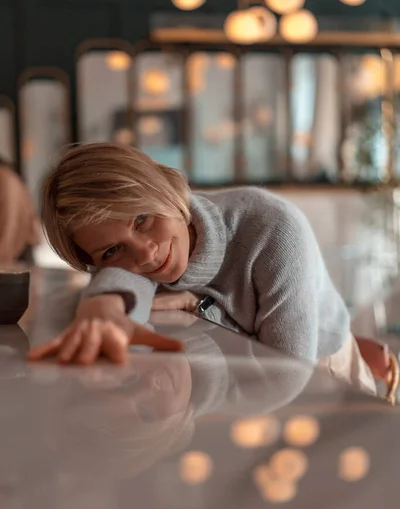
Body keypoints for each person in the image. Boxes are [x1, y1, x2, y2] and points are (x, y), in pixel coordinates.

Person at [27, 143, 376, 394]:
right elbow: (120, 281)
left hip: (326, 374)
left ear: (164, 189)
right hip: (244, 390)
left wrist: (198, 305)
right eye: (112, 250)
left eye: (142, 219)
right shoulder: (133, 258)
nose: (146, 253)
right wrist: (101, 303)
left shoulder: (273, 230)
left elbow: (286, 373)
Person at [0, 159, 41, 265]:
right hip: (14, 249)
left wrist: (4, 255)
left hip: (16, 251)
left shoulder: (5, 178)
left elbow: (10, 222)